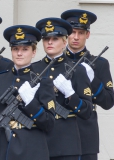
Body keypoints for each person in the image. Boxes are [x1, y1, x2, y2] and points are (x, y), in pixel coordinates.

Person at [0, 25, 56, 160]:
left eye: (25, 49)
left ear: (33, 52)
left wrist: (31, 102)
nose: (19, 53)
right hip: (2, 150)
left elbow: (49, 124)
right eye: (15, 49)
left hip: (32, 149)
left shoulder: (43, 82)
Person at [35, 17, 93, 160]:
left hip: (66, 142)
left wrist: (70, 94)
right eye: (46, 38)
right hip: (38, 139)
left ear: (64, 42)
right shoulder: (34, 69)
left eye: (55, 38)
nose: (49, 42)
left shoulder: (77, 70)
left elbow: (87, 110)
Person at [61, 9, 114, 160]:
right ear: (66, 34)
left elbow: (108, 102)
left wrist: (93, 79)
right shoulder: (54, 64)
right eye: (72, 32)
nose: (76, 37)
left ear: (87, 35)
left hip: (86, 133)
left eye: (81, 33)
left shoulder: (99, 64)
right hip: (60, 134)